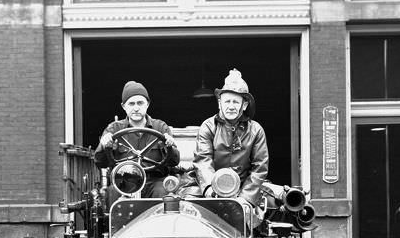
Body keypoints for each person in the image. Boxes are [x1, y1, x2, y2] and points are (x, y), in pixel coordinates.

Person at [193, 68, 269, 207]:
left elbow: (259, 168)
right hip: (211, 189)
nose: (231, 106)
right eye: (227, 102)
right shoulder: (208, 126)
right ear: (219, 103)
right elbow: (203, 161)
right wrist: (211, 189)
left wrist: (245, 198)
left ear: (244, 105)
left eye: (236, 102)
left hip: (243, 190)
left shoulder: (256, 130)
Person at [94, 80, 179, 198]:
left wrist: (169, 146)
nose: (136, 108)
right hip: (125, 180)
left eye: (140, 103)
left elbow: (174, 162)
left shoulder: (160, 127)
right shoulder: (114, 128)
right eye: (131, 104)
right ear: (123, 106)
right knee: (113, 191)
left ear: (147, 104)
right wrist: (104, 146)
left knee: (164, 192)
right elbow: (100, 162)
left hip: (154, 181)